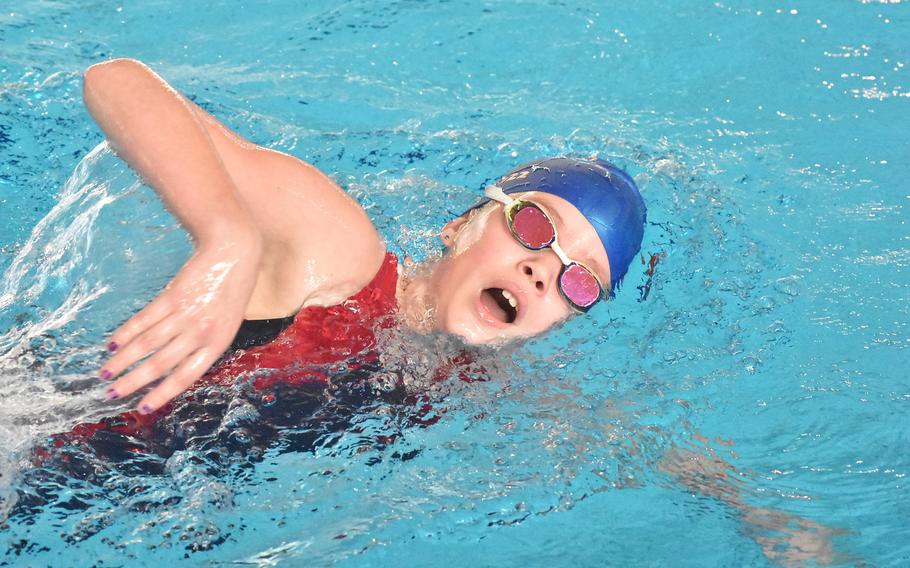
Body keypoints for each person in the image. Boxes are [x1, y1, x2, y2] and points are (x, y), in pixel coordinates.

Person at [82, 58, 647, 416]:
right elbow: (115, 81)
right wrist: (228, 238)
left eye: (579, 281)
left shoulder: (474, 381)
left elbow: (617, 437)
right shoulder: (339, 254)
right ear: (459, 227)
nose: (543, 270)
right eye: (534, 226)